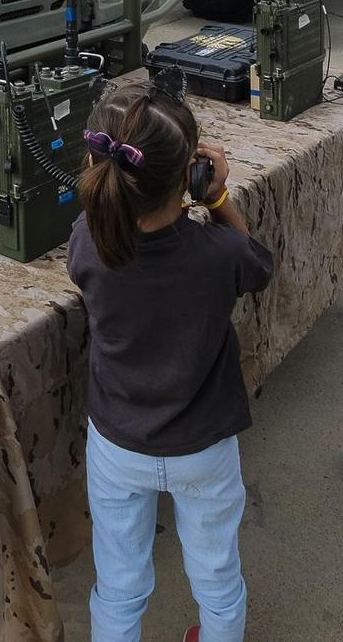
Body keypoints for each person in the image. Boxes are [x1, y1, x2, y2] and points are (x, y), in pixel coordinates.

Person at [67, 82, 273, 642]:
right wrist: (218, 198)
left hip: (118, 443)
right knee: (217, 575)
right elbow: (256, 263)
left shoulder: (84, 240)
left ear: (94, 165)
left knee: (118, 582)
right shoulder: (220, 253)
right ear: (190, 175)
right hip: (202, 447)